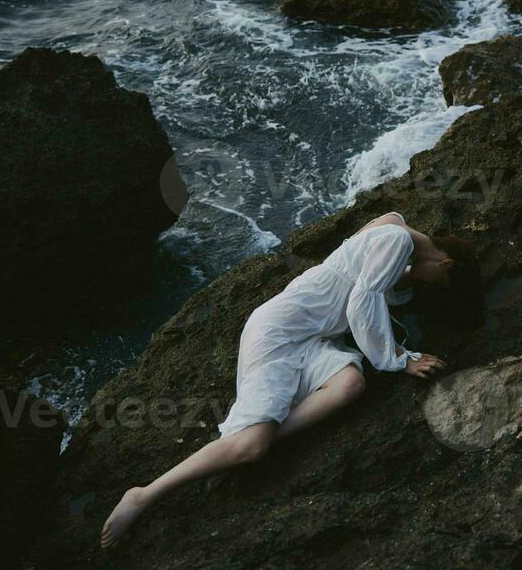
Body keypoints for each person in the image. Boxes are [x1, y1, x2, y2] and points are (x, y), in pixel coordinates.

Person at [101, 212, 474, 547]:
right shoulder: (399, 240)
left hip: (316, 338)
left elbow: (374, 280)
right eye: (440, 279)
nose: (431, 285)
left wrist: (408, 277)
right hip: (280, 332)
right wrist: (397, 361)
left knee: (350, 385)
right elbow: (363, 300)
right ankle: (144, 495)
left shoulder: (394, 223)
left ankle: (243, 442)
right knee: (252, 448)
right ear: (446, 262)